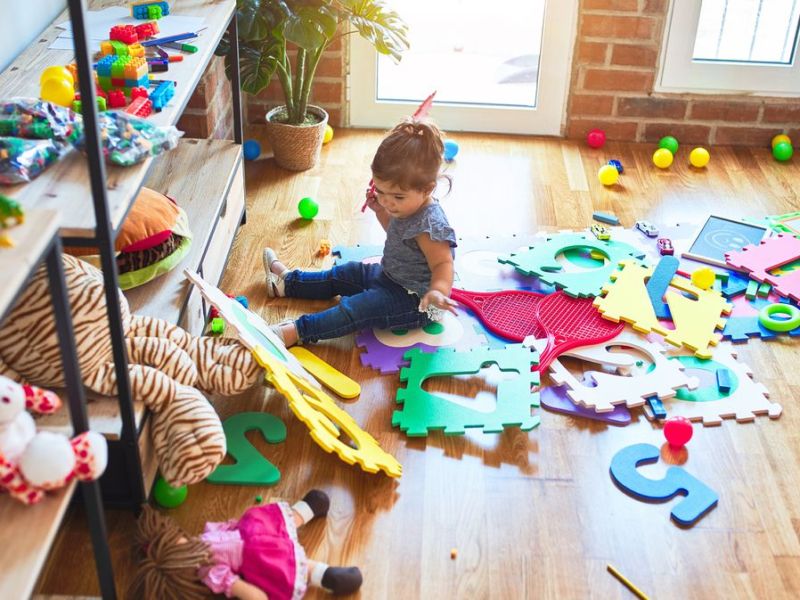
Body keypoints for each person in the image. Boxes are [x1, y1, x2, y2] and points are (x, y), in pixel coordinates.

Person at [263, 119, 457, 347]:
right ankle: (288, 283)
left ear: (428, 189)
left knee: (357, 308)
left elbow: (443, 264)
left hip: (413, 301)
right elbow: (396, 236)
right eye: (381, 191)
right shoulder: (404, 206)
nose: (387, 201)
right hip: (388, 276)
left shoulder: (431, 225)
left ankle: (297, 331)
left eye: (397, 197)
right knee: (344, 273)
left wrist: (437, 291)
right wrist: (379, 211)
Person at [129, 489, 363, 600]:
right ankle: (326, 576)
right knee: (292, 563)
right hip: (257, 556)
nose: (182, 540)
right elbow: (250, 593)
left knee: (281, 520)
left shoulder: (198, 540)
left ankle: (309, 509)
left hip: (252, 530)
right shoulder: (210, 572)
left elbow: (222, 529)